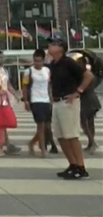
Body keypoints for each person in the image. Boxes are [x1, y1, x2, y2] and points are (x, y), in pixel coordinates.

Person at [48, 39, 94, 179]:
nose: (49, 46)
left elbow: (88, 76)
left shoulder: (68, 62)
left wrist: (78, 91)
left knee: (71, 135)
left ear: (61, 49)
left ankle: (80, 166)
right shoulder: (53, 64)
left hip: (68, 102)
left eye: (53, 44)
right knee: (61, 136)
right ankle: (72, 164)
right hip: (57, 102)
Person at [22, 49, 52, 157]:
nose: (37, 63)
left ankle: (32, 142)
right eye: (35, 61)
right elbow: (25, 87)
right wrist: (26, 101)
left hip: (46, 100)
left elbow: (48, 85)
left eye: (39, 61)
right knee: (41, 125)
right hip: (35, 100)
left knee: (46, 126)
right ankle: (43, 149)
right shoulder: (28, 71)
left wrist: (51, 98)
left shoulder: (47, 70)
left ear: (43, 60)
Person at [77, 57, 101, 154]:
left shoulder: (87, 74)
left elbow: (83, 88)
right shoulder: (87, 74)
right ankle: (91, 143)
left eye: (79, 63)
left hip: (88, 100)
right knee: (90, 122)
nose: (77, 65)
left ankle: (92, 142)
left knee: (84, 122)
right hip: (90, 99)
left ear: (83, 64)